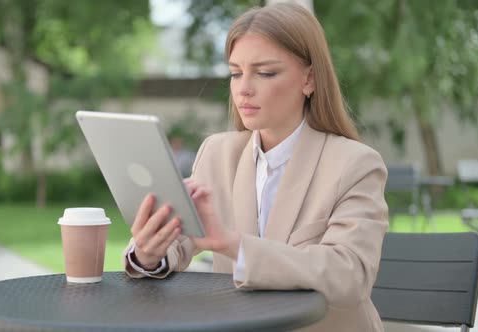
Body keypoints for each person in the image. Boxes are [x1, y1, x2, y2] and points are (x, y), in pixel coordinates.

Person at [122, 3, 389, 332]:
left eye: (265, 72)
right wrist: (150, 254)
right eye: (235, 72)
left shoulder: (355, 165)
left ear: (309, 79)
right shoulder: (217, 153)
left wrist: (231, 244)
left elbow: (350, 276)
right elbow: (182, 242)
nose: (243, 88)